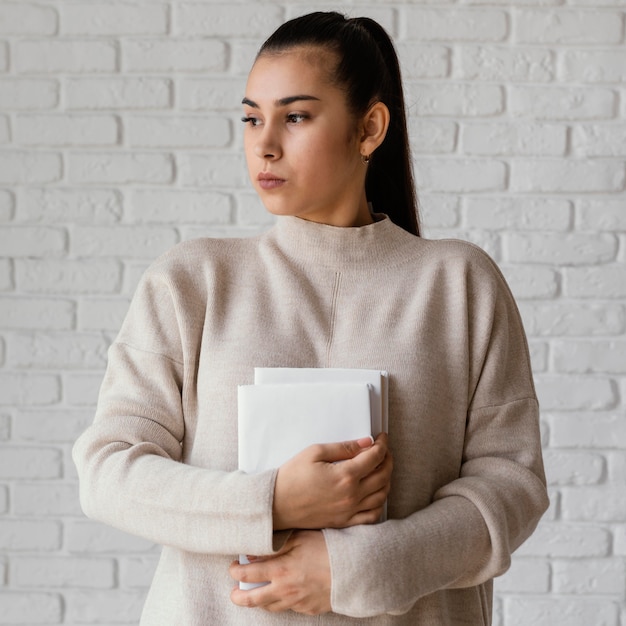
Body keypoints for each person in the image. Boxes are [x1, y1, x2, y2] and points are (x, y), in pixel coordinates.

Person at [73, 11, 549, 625]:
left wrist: (361, 567)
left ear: (369, 128)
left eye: (295, 116)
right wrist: (271, 500)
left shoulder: (459, 284)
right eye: (251, 118)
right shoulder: (191, 282)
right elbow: (108, 470)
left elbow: (512, 488)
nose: (264, 143)